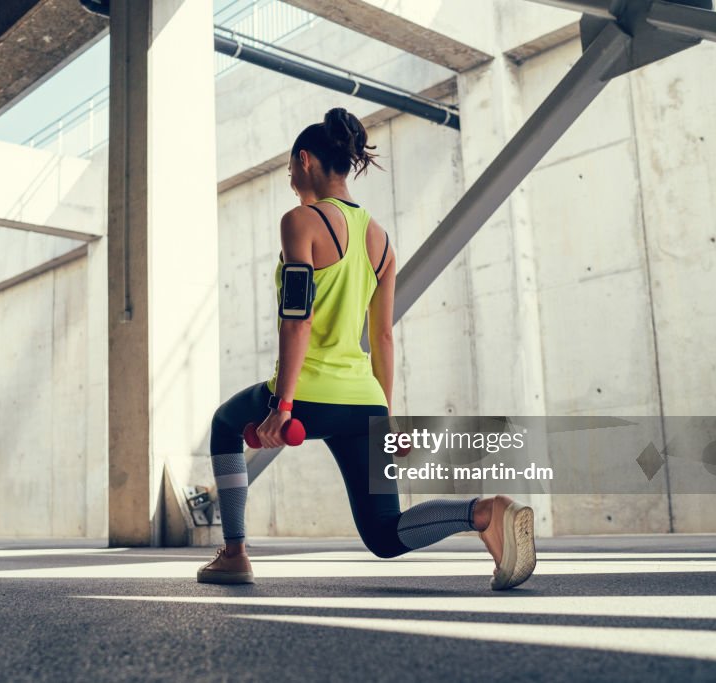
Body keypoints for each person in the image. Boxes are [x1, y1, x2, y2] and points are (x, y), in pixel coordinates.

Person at [197, 107, 536, 590]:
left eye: (291, 167)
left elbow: (298, 320)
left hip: (309, 392)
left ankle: (234, 553)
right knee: (384, 534)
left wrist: (284, 404)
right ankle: (484, 511)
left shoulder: (300, 221)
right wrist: (386, 420)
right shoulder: (381, 240)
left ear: (305, 160)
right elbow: (383, 337)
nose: (291, 177)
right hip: (364, 400)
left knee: (224, 424)